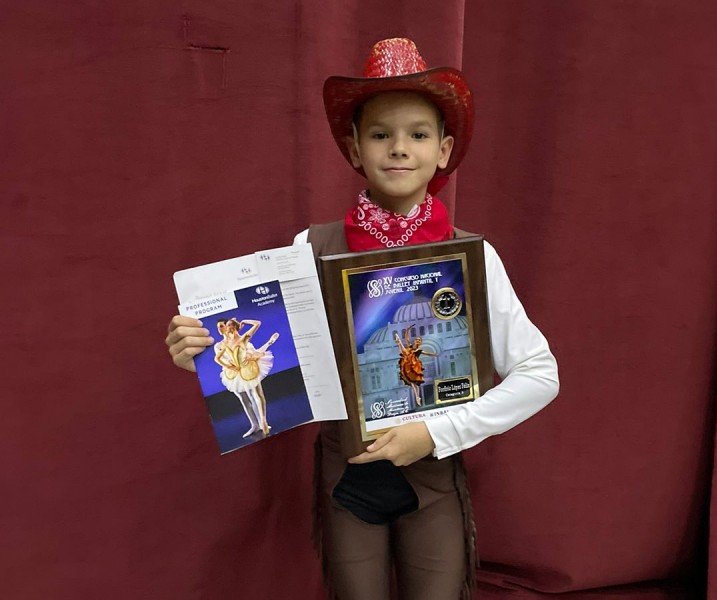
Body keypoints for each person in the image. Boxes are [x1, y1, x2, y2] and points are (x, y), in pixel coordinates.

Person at [165, 38, 559, 600]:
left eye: (418, 134)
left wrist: (437, 432)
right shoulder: (310, 248)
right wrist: (203, 355)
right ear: (354, 148)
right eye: (380, 134)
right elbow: (276, 368)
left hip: (433, 480)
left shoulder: (472, 257)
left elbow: (540, 374)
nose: (399, 149)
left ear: (444, 150)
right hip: (345, 476)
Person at [213, 318, 279, 437]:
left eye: (222, 326)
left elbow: (247, 348)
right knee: (244, 398)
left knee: (255, 394)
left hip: (245, 366)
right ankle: (254, 424)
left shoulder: (241, 339)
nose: (220, 329)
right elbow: (219, 358)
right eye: (219, 327)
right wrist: (230, 365)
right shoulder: (219, 345)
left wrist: (248, 355)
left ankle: (262, 421)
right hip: (232, 372)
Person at [394, 328, 437, 406]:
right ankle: (399, 342)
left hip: (413, 366)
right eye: (416, 339)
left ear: (420, 342)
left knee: (415, 383)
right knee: (404, 351)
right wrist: (407, 330)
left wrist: (434, 354)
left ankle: (417, 397)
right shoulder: (410, 346)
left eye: (419, 340)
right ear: (415, 341)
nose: (417, 340)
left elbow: (427, 353)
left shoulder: (419, 350)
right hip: (408, 362)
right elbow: (407, 338)